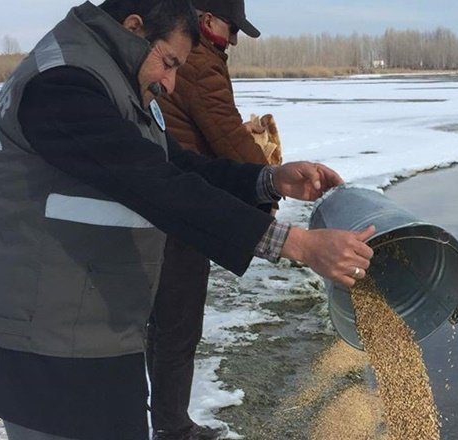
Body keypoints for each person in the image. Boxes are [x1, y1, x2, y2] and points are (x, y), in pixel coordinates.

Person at [0, 1, 374, 439]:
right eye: (168, 63)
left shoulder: (112, 80)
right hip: (48, 346)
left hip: (92, 327)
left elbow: (178, 165)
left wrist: (268, 179)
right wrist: (296, 244)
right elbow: (155, 183)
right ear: (133, 28)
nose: (170, 82)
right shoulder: (64, 84)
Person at [146, 1, 278, 438]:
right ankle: (172, 428)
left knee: (162, 321)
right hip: (182, 208)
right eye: (231, 28)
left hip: (172, 195)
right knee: (178, 323)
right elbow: (225, 134)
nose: (235, 39)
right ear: (205, 21)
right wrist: (268, 183)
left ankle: (162, 420)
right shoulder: (200, 61)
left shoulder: (194, 57)